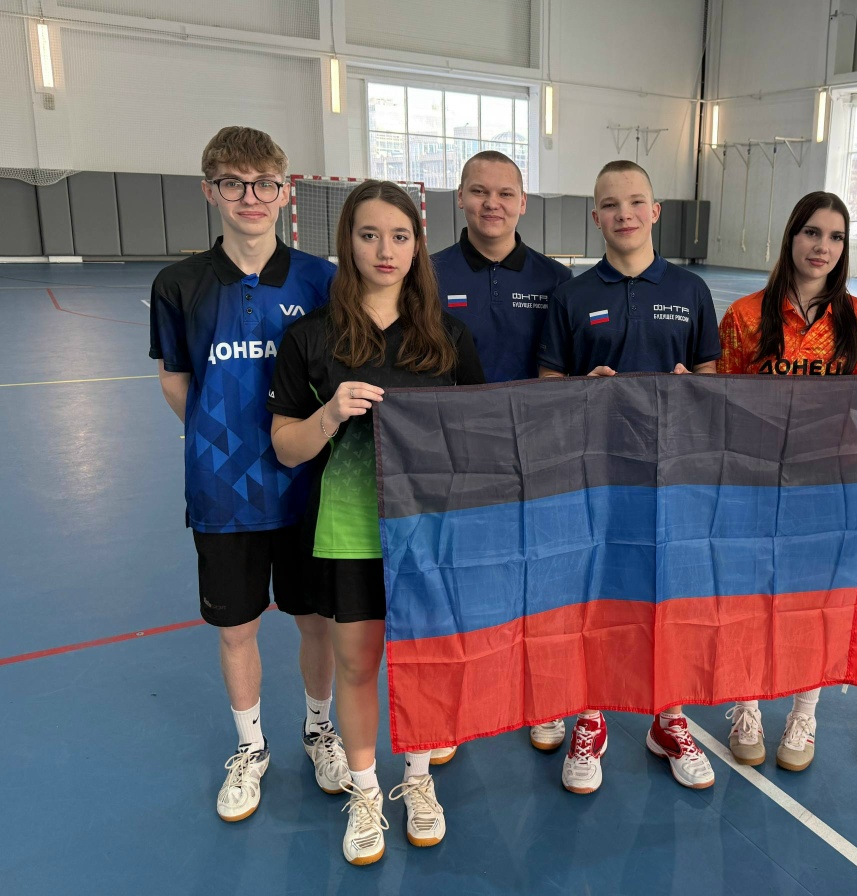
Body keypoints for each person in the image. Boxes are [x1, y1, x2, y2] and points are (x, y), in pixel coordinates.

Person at [268, 180, 485, 865]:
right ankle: (365, 792)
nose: (385, 250)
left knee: (423, 663)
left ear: (417, 245)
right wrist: (330, 413)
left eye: (399, 236)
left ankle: (417, 779)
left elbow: (481, 436)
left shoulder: (448, 337)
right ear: (348, 243)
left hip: (428, 536)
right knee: (358, 666)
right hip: (351, 532)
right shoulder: (311, 337)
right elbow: (285, 446)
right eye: (369, 235)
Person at [148, 126, 344, 823]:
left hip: (308, 486)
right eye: (233, 183)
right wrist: (219, 436)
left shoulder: (322, 280)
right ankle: (251, 748)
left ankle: (319, 730)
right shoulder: (179, 284)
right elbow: (176, 381)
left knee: (317, 621)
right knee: (236, 629)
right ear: (211, 192)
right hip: (223, 490)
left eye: (264, 183)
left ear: (285, 192)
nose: (250, 197)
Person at [538, 160, 722, 794]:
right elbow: (547, 387)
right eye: (612, 204)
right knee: (596, 593)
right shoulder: (572, 296)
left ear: (656, 211)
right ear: (596, 216)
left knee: (668, 594)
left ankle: (668, 718)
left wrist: (691, 388)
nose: (625, 214)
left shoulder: (691, 291)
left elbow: (712, 381)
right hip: (596, 476)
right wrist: (583, 390)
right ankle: (590, 718)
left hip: (672, 475)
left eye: (636, 201)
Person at [716, 191, 857, 772]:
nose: (823, 247)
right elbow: (723, 403)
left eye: (836, 237)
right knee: (750, 594)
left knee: (813, 600)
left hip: (826, 481)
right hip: (755, 480)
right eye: (812, 232)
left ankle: (804, 712)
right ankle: (747, 705)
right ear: (791, 236)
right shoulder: (744, 316)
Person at [431, 151, 572, 755]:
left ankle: (545, 699)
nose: (492, 203)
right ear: (460, 197)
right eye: (479, 191)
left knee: (540, 583)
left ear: (522, 202)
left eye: (505, 193)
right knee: (457, 586)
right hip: (454, 460)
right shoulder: (426, 274)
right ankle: (453, 707)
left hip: (535, 461)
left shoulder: (555, 281)